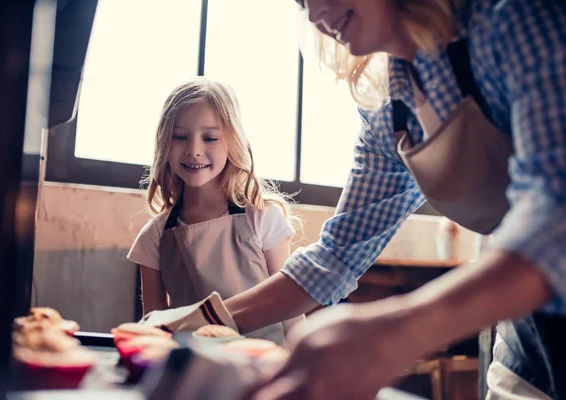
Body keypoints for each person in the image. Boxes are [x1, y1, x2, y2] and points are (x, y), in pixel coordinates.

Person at [221, 0, 566, 399]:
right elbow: (336, 257)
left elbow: (555, 212)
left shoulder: (515, 19)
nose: (314, 12)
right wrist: (193, 322)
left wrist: (401, 330)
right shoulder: (387, 112)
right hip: (529, 344)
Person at [127, 77, 304, 346]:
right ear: (164, 143)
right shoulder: (154, 236)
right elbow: (154, 329)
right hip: (192, 372)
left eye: (209, 137)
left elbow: (292, 310)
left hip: (266, 367)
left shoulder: (262, 218)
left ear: (233, 142)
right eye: (179, 137)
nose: (194, 150)